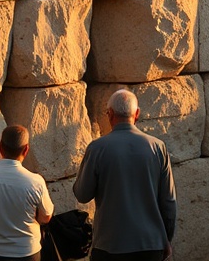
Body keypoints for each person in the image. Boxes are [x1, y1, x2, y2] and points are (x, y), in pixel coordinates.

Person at [73, 89, 176, 261]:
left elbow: (82, 195)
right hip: (150, 244)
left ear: (110, 114)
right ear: (137, 113)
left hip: (110, 245)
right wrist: (166, 238)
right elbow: (169, 201)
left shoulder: (97, 148)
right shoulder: (158, 147)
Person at [0, 125, 54, 261]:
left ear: (0, 147)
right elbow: (46, 216)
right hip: (27, 252)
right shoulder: (36, 182)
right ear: (26, 149)